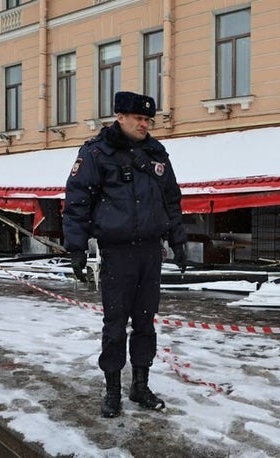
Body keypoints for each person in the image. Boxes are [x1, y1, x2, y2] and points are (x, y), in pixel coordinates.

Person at [62, 91, 187, 418]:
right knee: (115, 324)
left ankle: (140, 386)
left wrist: (179, 240)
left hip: (150, 252)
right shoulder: (96, 153)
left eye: (148, 119)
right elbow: (77, 202)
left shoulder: (156, 153)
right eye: (138, 119)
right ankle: (113, 390)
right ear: (120, 116)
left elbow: (171, 199)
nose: (145, 124)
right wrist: (76, 248)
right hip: (117, 253)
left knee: (145, 322)